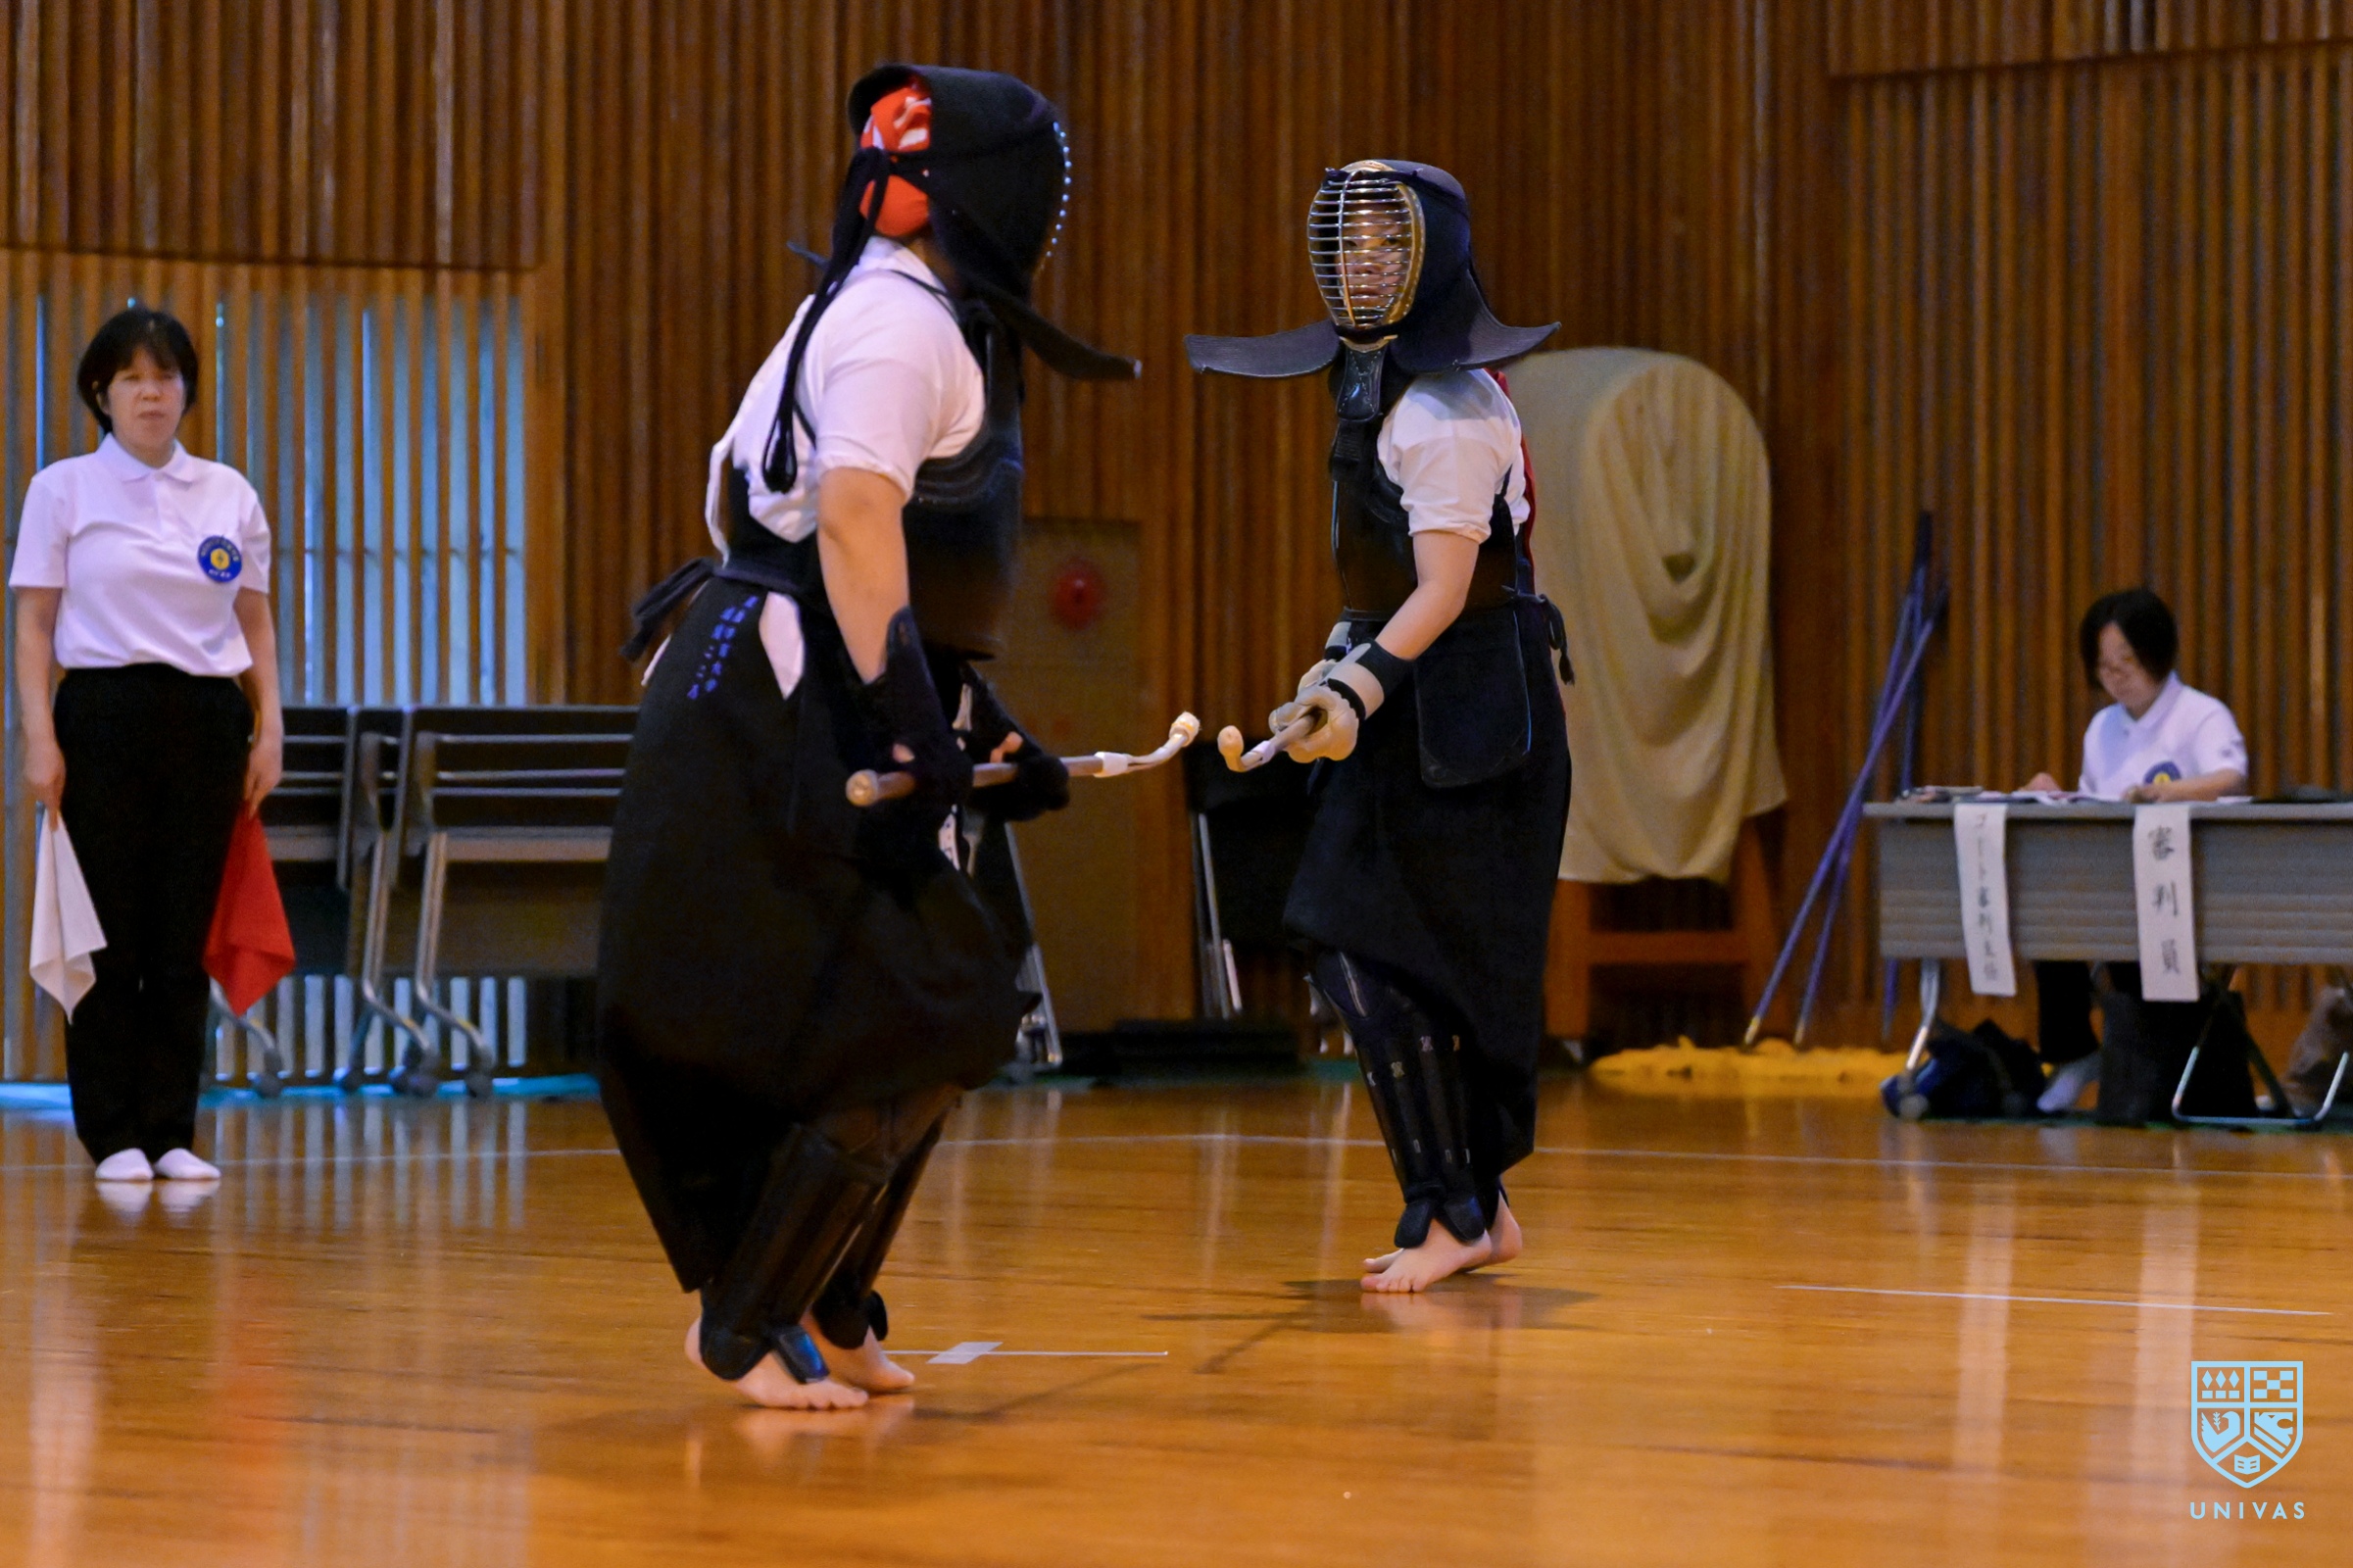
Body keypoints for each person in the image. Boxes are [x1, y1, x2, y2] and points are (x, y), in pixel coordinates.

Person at [598, 65, 1135, 1409]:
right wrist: (906, 714)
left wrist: (973, 725)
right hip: (775, 700)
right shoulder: (896, 324)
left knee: (928, 1016)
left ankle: (832, 1307)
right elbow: (843, 519)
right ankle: (746, 1320)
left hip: (801, 676)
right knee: (906, 1015)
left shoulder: (898, 309)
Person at [1187, 161, 1570, 1292]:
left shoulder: (1447, 412)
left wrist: (1354, 690)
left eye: (1386, 246)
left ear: (1431, 261)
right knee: (1364, 947)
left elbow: (1445, 591)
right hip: (1414, 700)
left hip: (1474, 721)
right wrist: (1332, 663)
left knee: (1387, 953)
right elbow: (1379, 583)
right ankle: (1471, 1206)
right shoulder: (1376, 391)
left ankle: (1452, 1207)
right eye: (1347, 245)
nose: (1361, 267)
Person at [8, 306, 284, 1185]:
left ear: (186, 391)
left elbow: (253, 620)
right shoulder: (63, 489)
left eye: (165, 377)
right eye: (132, 379)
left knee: (181, 933)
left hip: (207, 719)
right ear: (102, 393)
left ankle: (171, 1131)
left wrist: (270, 726)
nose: (151, 394)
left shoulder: (227, 493)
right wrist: (39, 735)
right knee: (109, 933)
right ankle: (112, 1132)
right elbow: (34, 623)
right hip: (101, 714)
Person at [2024, 587, 2247, 1112]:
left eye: (2126, 662)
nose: (2116, 677)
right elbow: (2094, 804)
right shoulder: (2103, 727)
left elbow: (2231, 777)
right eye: (2104, 666)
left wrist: (2168, 793)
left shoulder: (2200, 715)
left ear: (2157, 653)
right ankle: (2073, 1051)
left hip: (2184, 890)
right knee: (2044, 912)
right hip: (2114, 884)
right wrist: (2054, 796)